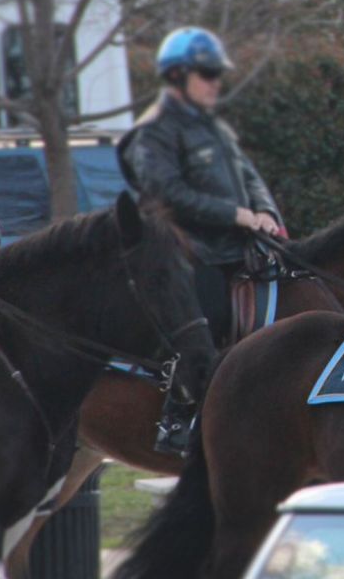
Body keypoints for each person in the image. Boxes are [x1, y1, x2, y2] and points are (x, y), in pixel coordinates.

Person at [117, 26, 284, 455]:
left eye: (216, 74)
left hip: (239, 246)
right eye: (206, 74)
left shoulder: (214, 128)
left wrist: (265, 212)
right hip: (188, 252)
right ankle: (177, 416)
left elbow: (248, 175)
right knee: (202, 319)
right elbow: (166, 192)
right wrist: (234, 214)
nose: (215, 83)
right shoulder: (154, 132)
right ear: (177, 77)